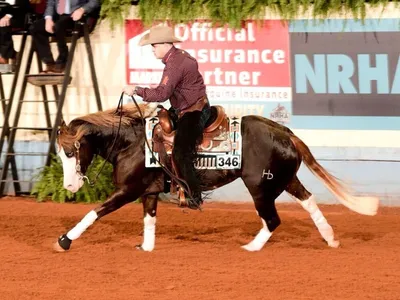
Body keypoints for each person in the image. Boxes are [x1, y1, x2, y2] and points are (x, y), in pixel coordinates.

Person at [123, 25, 211, 210]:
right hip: (187, 107)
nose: (153, 49)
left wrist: (137, 90)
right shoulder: (178, 57)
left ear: (164, 44)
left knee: (181, 152)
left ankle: (194, 196)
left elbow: (162, 93)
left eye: (154, 45)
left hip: (193, 111)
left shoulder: (175, 64)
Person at [30, 0, 100, 73]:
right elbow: (51, 3)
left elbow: (95, 1)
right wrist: (48, 18)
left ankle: (62, 60)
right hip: (58, 16)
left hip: (75, 16)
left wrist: (82, 9)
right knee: (35, 28)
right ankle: (49, 63)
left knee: (59, 25)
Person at [0, 0, 31, 66]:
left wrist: (8, 16)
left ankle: (5, 56)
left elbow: (23, 6)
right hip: (2, 15)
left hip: (17, 16)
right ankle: (13, 54)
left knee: (3, 24)